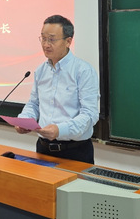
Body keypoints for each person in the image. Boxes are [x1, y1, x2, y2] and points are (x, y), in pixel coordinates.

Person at [15, 15, 99, 163]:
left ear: (68, 41)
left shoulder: (83, 71)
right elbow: (34, 104)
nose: (46, 44)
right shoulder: (41, 70)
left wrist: (60, 130)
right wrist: (24, 120)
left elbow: (90, 114)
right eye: (43, 38)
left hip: (75, 151)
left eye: (52, 39)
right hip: (43, 148)